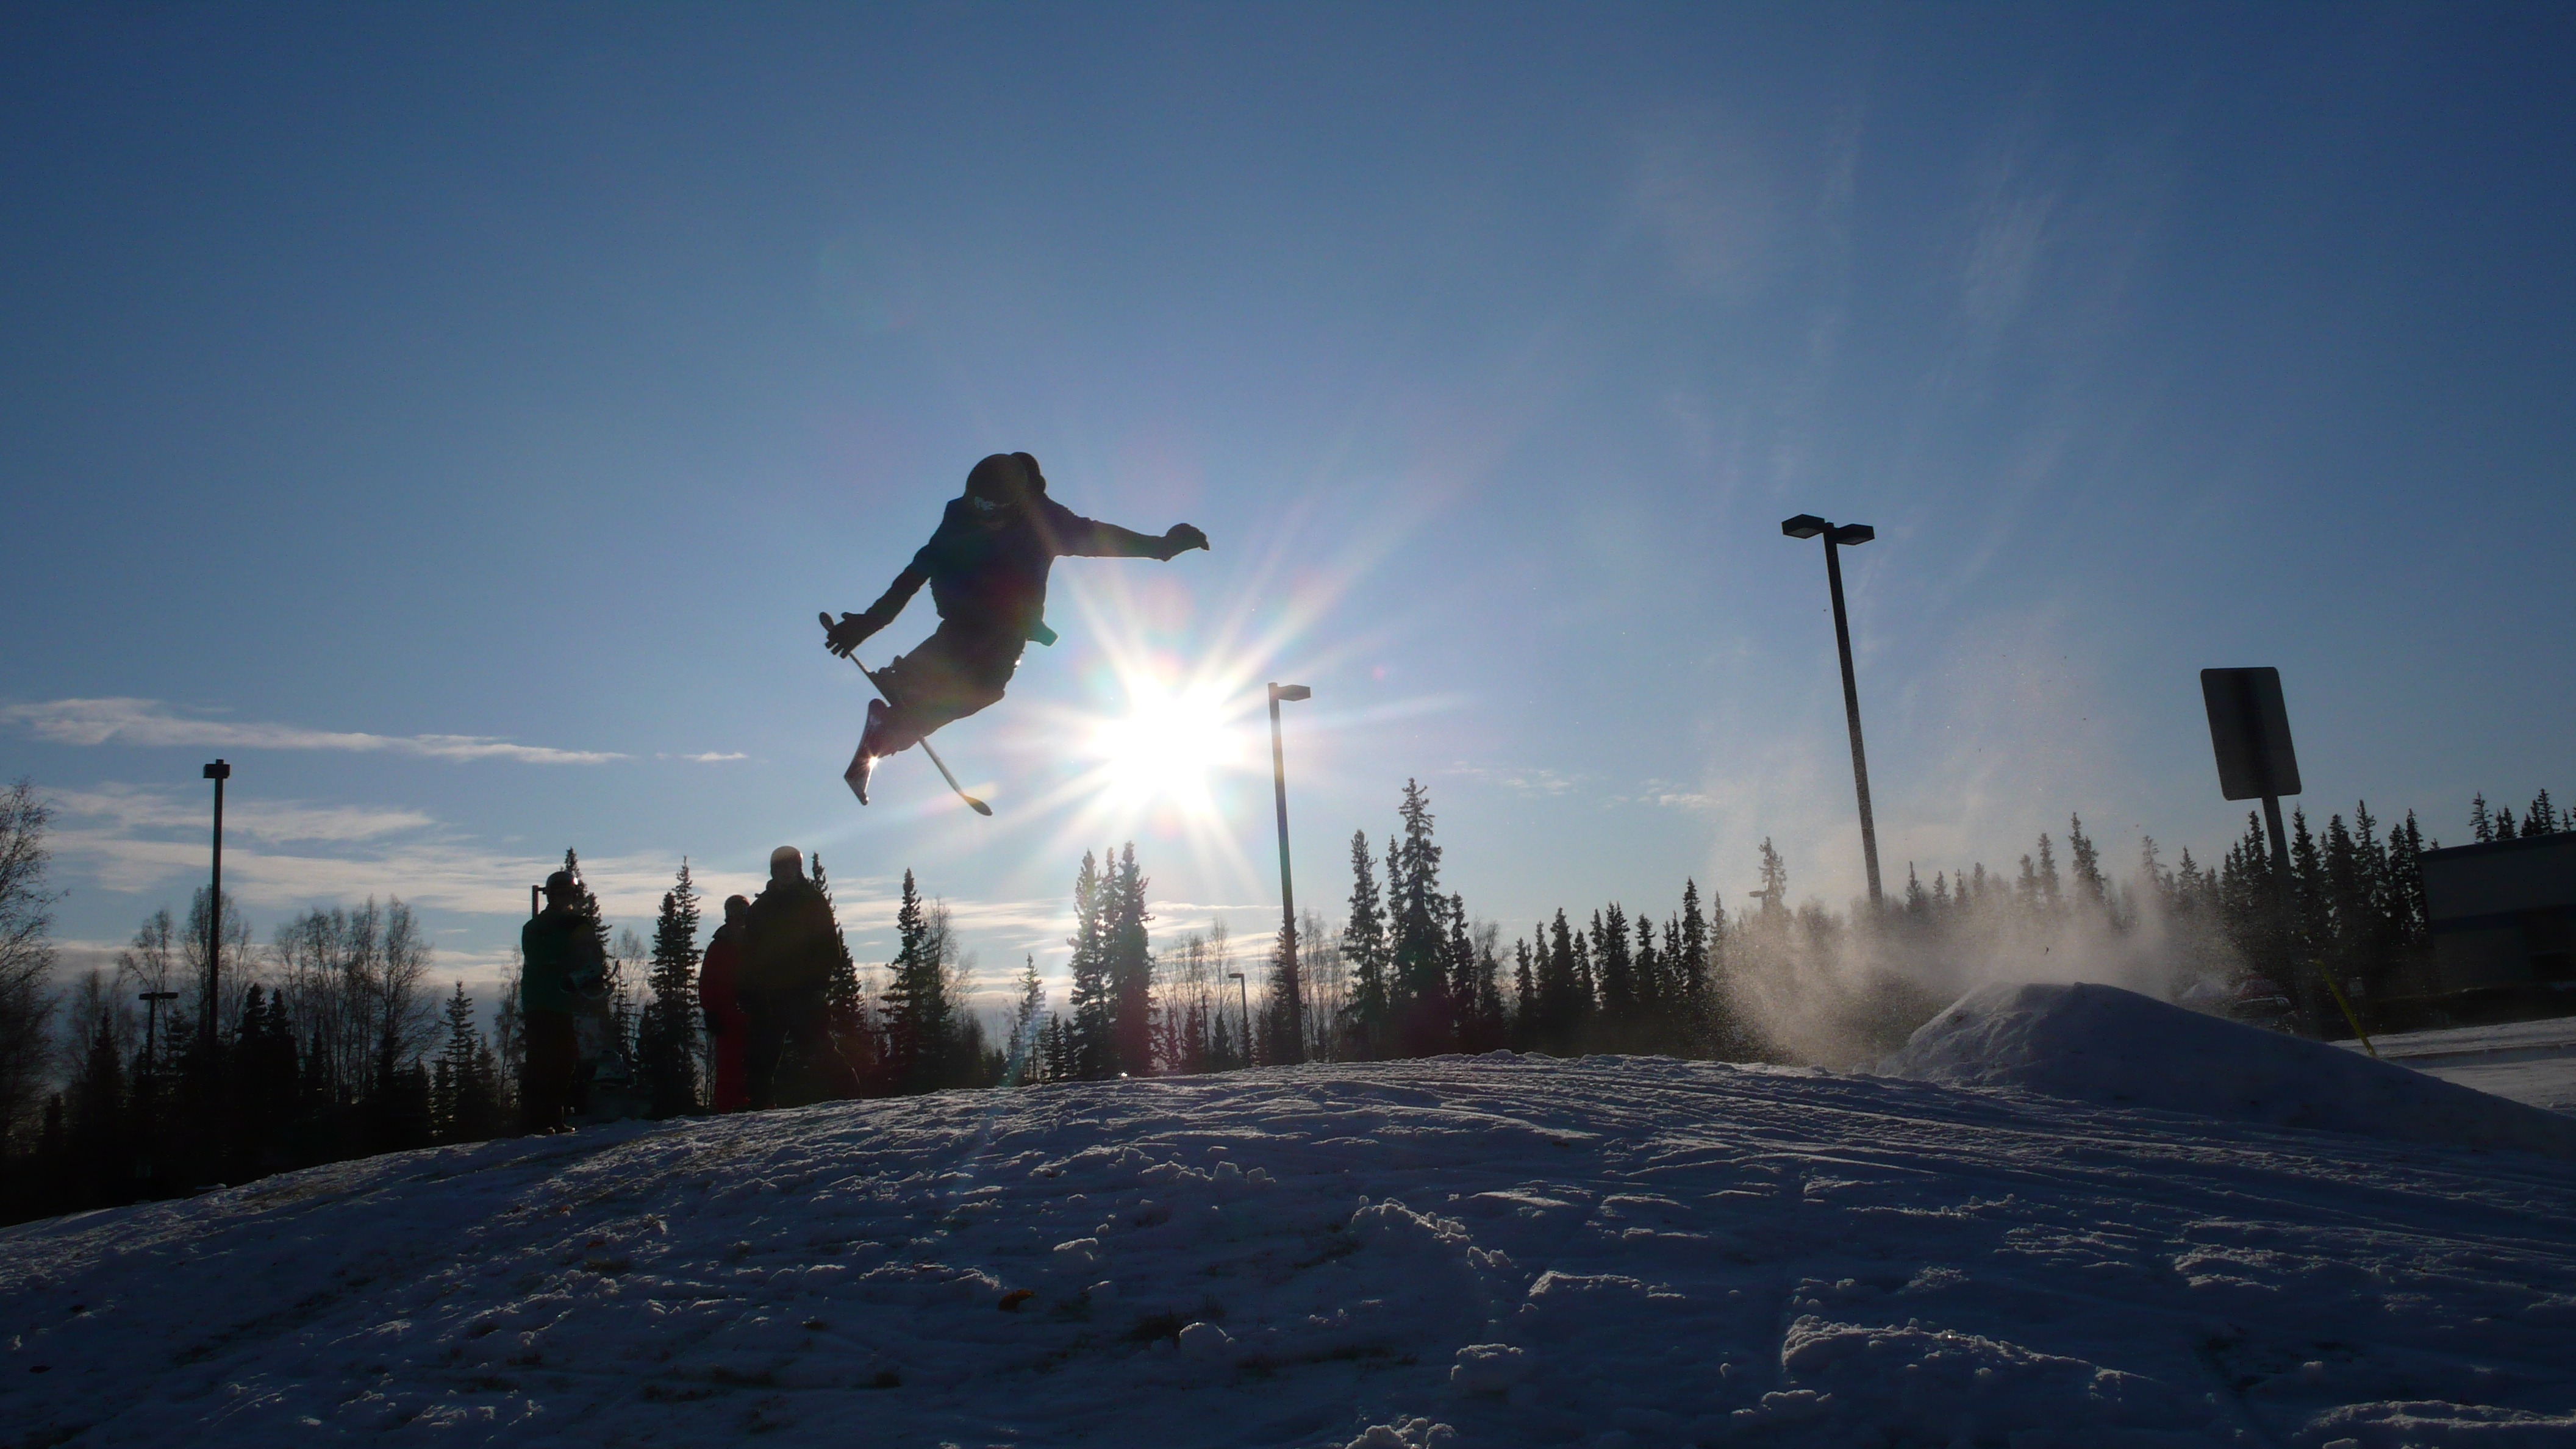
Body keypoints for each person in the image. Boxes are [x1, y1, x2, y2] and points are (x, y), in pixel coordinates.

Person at [824, 451, 1209, 803]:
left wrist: (1161, 547)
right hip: (967, 602)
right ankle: (907, 690)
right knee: (983, 658)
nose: (983, 515)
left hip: (1007, 617)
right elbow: (915, 573)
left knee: (988, 676)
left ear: (1018, 504)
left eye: (992, 510)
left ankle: (900, 708)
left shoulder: (1047, 521)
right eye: (977, 505)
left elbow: (1101, 538)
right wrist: (869, 623)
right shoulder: (960, 517)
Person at [739, 846, 842, 1109]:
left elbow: (829, 947)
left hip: (804, 994)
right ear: (774, 871)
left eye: (792, 867)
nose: (787, 873)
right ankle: (758, 1115)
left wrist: (818, 984)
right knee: (760, 1061)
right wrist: (747, 990)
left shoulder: (812, 901)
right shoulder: (761, 908)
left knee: (820, 1052)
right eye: (782, 868)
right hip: (769, 996)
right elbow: (749, 954)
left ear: (799, 869)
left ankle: (851, 1104)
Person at [520, 869, 606, 1134]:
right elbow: (544, 956)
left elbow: (593, 956)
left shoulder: (576, 924)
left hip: (568, 1003)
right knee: (541, 1062)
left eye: (568, 894)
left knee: (565, 1062)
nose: (564, 898)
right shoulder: (536, 927)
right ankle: (534, 1121)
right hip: (542, 1003)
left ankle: (554, 1116)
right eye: (560, 894)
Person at [698, 895, 752, 1112]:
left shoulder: (757, 944)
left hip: (755, 1015)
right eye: (734, 913)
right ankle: (727, 1108)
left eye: (742, 913)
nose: (739, 919)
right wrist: (710, 1010)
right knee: (729, 1064)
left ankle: (759, 1104)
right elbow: (707, 980)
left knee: (758, 1061)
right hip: (726, 1017)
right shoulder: (718, 947)